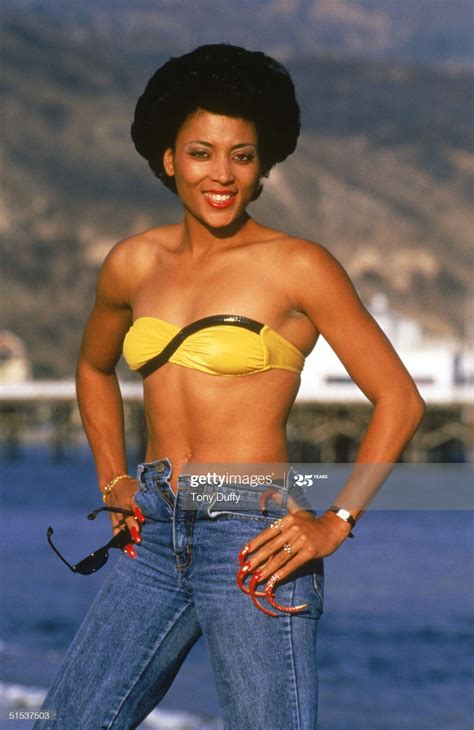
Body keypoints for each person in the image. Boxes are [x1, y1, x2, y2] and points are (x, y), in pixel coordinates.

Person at [36, 44, 425, 729]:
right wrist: (111, 481)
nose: (222, 175)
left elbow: (400, 398)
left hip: (251, 536)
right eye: (201, 152)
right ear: (167, 158)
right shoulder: (132, 263)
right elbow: (94, 368)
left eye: (241, 156)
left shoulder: (298, 265)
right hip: (152, 530)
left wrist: (336, 522)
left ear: (263, 165)